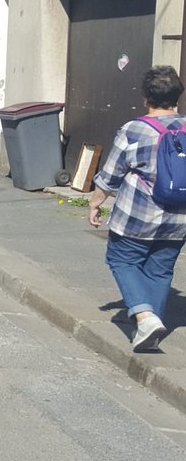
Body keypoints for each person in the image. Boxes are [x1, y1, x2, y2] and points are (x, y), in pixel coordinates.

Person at [89, 66, 186, 352]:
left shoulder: (134, 130)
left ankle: (144, 318)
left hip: (137, 216)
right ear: (177, 97)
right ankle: (150, 325)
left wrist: (96, 202)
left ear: (146, 98)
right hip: (180, 219)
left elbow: (111, 174)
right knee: (160, 270)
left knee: (122, 260)